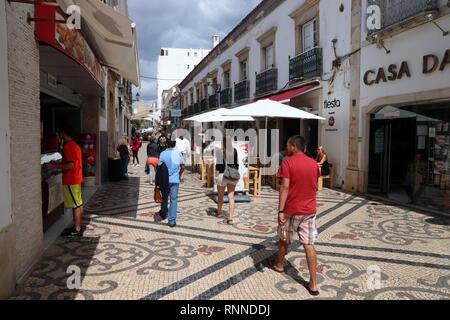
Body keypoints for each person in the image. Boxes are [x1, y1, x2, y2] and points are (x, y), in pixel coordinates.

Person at [270, 135, 321, 296]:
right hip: (310, 210)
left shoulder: (287, 162)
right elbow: (315, 185)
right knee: (308, 244)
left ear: (293, 146)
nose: (286, 148)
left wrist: (281, 210)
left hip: (292, 209)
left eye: (287, 145)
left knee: (284, 238)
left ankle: (279, 265)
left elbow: (284, 187)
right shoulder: (314, 163)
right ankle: (313, 283)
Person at [50, 125, 84, 238]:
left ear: (63, 133)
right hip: (76, 178)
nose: (59, 135)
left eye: (59, 133)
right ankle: (76, 226)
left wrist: (55, 166)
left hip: (71, 179)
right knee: (78, 203)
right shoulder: (75, 145)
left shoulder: (68, 147)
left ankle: (77, 229)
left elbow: (70, 165)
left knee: (76, 205)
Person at [157, 140, 185, 227]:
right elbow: (183, 166)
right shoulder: (178, 153)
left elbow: (159, 166)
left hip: (165, 180)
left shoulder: (162, 154)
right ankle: (171, 221)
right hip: (175, 180)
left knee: (164, 197)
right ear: (174, 145)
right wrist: (179, 175)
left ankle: (164, 213)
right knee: (173, 199)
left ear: (167, 144)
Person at [214, 137, 239, 225]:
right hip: (232, 176)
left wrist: (216, 177)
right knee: (231, 197)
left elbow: (218, 166)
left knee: (220, 196)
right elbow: (237, 164)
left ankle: (219, 212)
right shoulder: (235, 151)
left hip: (222, 175)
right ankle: (230, 218)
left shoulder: (219, 152)